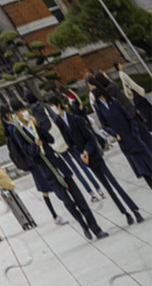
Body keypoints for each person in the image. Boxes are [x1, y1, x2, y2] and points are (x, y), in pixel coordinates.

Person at [6, 99, 108, 240]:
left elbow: (50, 139)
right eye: (20, 111)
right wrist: (35, 145)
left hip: (59, 165)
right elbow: (28, 152)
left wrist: (38, 127)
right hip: (48, 172)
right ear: (16, 114)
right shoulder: (18, 132)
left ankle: (96, 228)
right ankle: (83, 225)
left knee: (80, 200)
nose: (24, 112)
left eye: (24, 109)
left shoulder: (33, 124)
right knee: (69, 203)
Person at [53, 92, 143, 226]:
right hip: (86, 159)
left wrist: (86, 151)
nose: (53, 110)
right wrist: (80, 155)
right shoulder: (59, 122)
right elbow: (69, 141)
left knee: (114, 183)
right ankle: (125, 212)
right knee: (107, 187)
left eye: (53, 106)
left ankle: (134, 210)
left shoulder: (75, 118)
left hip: (94, 155)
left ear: (59, 105)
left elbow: (90, 138)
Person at [23, 90, 105, 204]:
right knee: (83, 165)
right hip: (65, 138)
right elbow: (57, 118)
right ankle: (99, 189)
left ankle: (91, 193)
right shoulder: (44, 106)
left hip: (56, 144)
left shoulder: (32, 113)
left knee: (75, 170)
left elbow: (40, 130)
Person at [94, 83, 152, 192]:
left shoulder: (114, 102)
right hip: (124, 142)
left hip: (134, 137)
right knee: (142, 169)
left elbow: (129, 117)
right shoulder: (99, 108)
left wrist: (134, 132)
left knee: (149, 160)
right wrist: (115, 134)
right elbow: (104, 125)